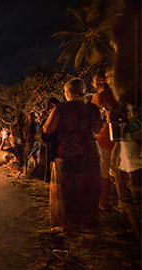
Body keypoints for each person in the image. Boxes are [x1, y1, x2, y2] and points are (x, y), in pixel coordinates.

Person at [43, 78, 102, 232]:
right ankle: (88, 223)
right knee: (87, 186)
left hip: (68, 151)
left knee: (67, 188)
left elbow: (48, 128)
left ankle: (67, 224)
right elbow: (97, 129)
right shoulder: (92, 109)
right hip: (90, 151)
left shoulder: (62, 109)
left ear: (68, 92)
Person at [108, 103, 141, 243]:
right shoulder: (123, 125)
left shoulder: (136, 124)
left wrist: (132, 126)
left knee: (138, 207)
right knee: (127, 204)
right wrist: (113, 165)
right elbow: (117, 143)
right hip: (125, 167)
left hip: (137, 168)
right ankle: (137, 233)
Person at [91, 70, 119, 210]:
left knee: (105, 173)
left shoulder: (102, 97)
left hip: (104, 138)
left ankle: (103, 202)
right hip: (110, 138)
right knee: (112, 171)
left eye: (94, 80)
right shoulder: (113, 95)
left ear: (101, 81)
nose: (93, 83)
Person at [21, 112, 41, 177]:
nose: (28, 118)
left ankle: (25, 172)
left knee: (26, 157)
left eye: (29, 117)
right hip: (38, 142)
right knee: (36, 157)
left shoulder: (31, 124)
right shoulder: (39, 124)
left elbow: (26, 132)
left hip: (31, 142)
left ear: (33, 117)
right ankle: (37, 172)